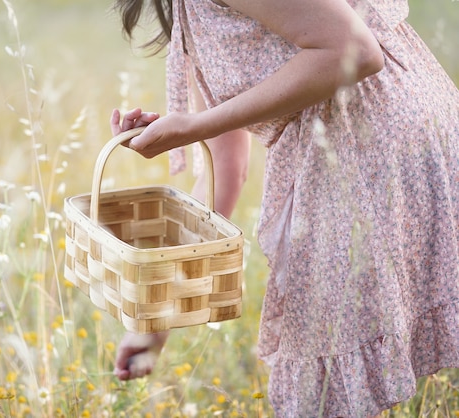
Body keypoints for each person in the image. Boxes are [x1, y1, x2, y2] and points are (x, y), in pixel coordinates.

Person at [108, 0, 459, 416]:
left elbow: (356, 51)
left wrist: (195, 126)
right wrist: (160, 317)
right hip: (375, 144)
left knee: (319, 392)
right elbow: (225, 165)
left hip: (371, 145)